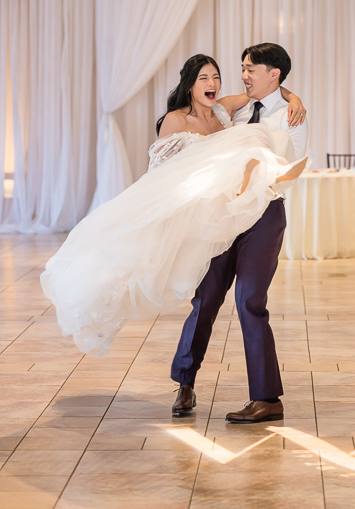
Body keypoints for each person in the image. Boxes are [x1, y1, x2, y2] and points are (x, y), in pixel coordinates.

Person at [40, 53, 307, 359]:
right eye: (204, 78)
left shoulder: (222, 110)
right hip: (189, 196)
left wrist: (294, 97)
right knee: (145, 267)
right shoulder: (176, 119)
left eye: (216, 78)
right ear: (190, 85)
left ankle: (265, 174)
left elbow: (264, 91)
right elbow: (160, 172)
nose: (213, 84)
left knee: (252, 136)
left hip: (221, 201)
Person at [171, 43, 308, 424]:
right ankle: (184, 382)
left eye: (251, 69)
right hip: (224, 216)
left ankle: (267, 399)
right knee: (207, 297)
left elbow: (293, 169)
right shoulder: (237, 108)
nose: (243, 75)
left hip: (263, 215)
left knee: (249, 300)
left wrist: (255, 172)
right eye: (242, 68)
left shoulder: (291, 116)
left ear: (273, 74)